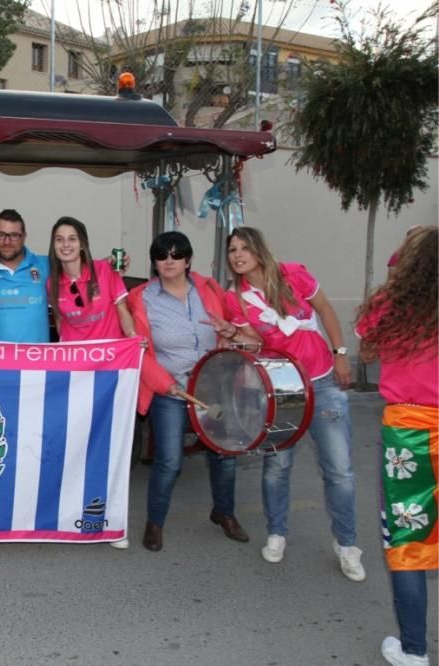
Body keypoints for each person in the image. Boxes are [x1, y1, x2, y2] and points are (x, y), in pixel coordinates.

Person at [224, 226, 364, 581]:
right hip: (282, 389)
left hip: (323, 381)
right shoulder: (236, 298)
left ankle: (347, 544)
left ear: (258, 249)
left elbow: (327, 311)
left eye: (243, 247)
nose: (237, 254)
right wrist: (235, 336)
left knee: (340, 470)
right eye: (232, 250)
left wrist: (341, 353)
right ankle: (277, 533)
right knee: (277, 467)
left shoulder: (293, 274)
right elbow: (258, 344)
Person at [127, 231, 250, 552]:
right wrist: (167, 384)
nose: (169, 261)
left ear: (188, 259)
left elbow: (233, 328)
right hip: (169, 390)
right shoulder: (141, 298)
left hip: (214, 387)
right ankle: (155, 522)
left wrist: (229, 338)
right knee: (169, 461)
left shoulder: (209, 288)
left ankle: (223, 513)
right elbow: (138, 352)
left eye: (176, 254)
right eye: (162, 255)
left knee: (224, 454)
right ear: (154, 261)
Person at [355, 226, 437, 666]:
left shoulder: (392, 305)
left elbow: (367, 352)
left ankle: (414, 650)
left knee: (409, 543)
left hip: (409, 434)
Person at [47, 216, 139, 549]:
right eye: (60, 239)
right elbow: (59, 324)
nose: (66, 245)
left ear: (83, 242)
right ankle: (71, 511)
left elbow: (123, 309)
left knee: (111, 445)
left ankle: (114, 521)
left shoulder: (105, 270)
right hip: (76, 372)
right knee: (76, 443)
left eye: (72, 238)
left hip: (111, 370)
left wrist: (132, 339)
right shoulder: (52, 283)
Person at [0, 209, 51, 343]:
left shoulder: (46, 265)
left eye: (14, 235)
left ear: (24, 236)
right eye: (1, 235)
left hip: (36, 360)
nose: (7, 242)